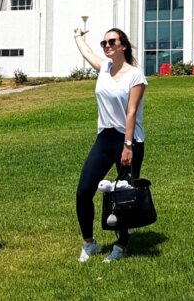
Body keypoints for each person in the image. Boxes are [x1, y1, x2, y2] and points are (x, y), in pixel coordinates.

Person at [73, 25, 147, 263]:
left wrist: (127, 146)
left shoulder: (135, 75)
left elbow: (131, 111)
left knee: (123, 196)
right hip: (104, 137)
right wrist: (78, 37)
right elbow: (86, 54)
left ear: (123, 45)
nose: (107, 46)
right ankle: (89, 243)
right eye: (104, 43)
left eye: (112, 42)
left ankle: (121, 245)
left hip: (128, 139)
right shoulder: (104, 68)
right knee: (84, 191)